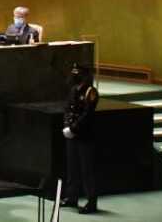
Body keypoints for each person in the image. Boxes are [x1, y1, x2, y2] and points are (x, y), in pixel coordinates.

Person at [62, 63, 99, 214]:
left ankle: (91, 202)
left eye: (77, 73)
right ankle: (72, 197)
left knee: (87, 170)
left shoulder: (91, 92)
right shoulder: (73, 90)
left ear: (84, 75)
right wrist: (67, 126)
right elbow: (68, 110)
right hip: (72, 135)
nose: (74, 75)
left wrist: (73, 128)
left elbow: (87, 114)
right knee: (73, 168)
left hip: (85, 136)